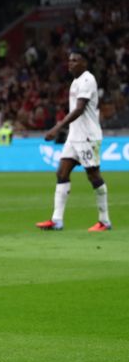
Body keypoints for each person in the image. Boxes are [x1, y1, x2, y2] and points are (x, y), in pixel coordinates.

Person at [36, 51, 111, 232]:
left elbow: (79, 109)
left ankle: (105, 221)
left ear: (84, 63)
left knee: (93, 176)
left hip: (88, 137)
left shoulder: (87, 80)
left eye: (75, 60)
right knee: (62, 172)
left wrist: (57, 128)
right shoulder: (76, 81)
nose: (70, 64)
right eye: (69, 61)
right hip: (74, 136)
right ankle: (57, 220)